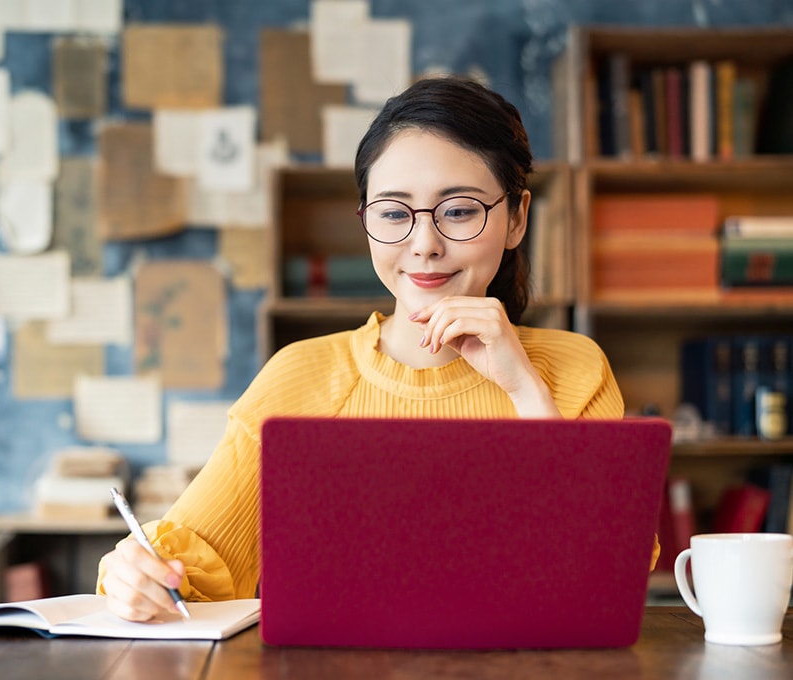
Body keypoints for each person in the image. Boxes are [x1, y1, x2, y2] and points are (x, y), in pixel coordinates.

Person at [98, 75, 648, 622]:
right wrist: (137, 577)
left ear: (517, 218)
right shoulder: (299, 376)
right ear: (366, 223)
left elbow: (608, 570)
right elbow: (189, 570)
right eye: (393, 212)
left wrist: (523, 387)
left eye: (459, 210)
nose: (425, 243)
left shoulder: (574, 369)